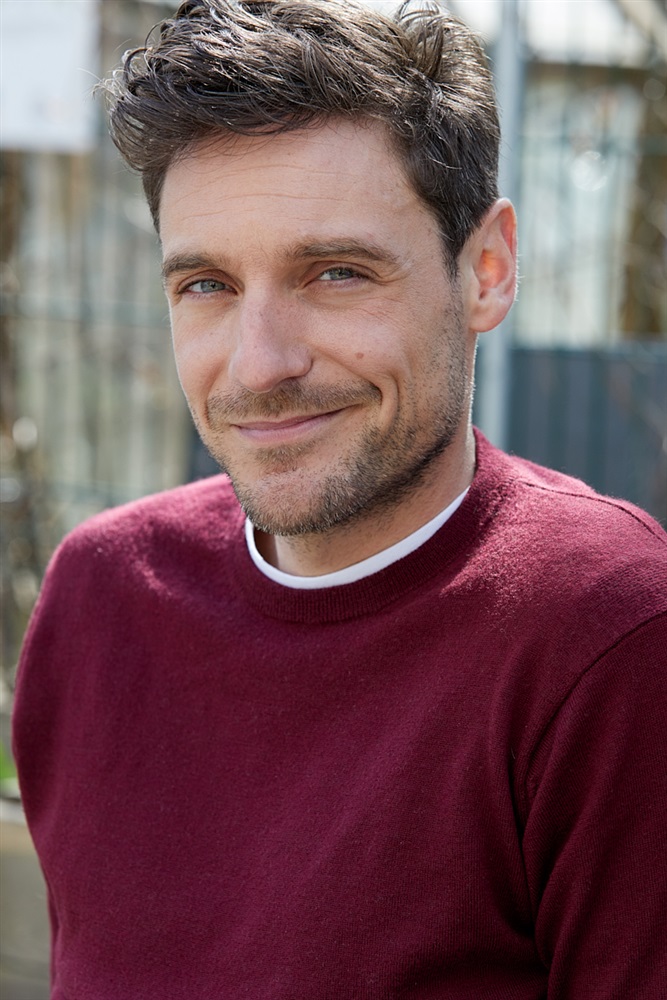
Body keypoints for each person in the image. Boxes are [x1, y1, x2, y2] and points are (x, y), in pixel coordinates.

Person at [12, 1, 667, 996]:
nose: (260, 363)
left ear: (486, 271)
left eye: (336, 272)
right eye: (206, 284)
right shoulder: (101, 598)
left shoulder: (608, 637)